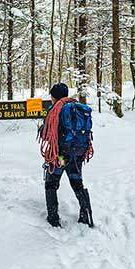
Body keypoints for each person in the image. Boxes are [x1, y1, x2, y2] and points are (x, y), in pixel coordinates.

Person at [38, 82, 94, 228]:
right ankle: (85, 214)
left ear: (54, 96)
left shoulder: (55, 110)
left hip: (61, 154)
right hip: (78, 153)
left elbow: (46, 134)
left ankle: (53, 218)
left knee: (51, 183)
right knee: (77, 182)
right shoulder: (75, 106)